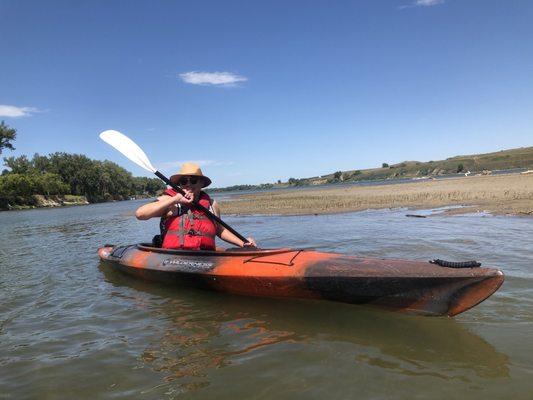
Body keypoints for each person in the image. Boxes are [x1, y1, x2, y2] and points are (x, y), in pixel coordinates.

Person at [135, 162, 256, 250]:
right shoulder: (170, 200)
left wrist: (242, 243)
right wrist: (176, 199)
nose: (188, 184)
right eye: (184, 181)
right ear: (179, 184)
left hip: (206, 256)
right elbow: (140, 214)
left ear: (201, 183)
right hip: (175, 256)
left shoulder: (212, 204)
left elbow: (220, 230)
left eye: (193, 180)